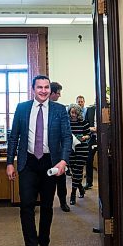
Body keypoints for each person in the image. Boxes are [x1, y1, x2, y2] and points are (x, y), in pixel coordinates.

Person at [6, 75, 72, 246]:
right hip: (28, 164)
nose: (43, 90)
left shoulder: (59, 110)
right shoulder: (22, 108)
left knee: (46, 206)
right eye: (39, 87)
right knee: (26, 206)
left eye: (46, 87)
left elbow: (67, 137)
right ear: (33, 88)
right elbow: (14, 138)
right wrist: (10, 162)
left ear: (50, 89)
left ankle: (44, 243)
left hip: (50, 164)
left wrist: (63, 161)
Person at [49, 82, 70, 213]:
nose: (60, 95)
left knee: (61, 181)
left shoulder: (61, 109)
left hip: (58, 153)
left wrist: (64, 157)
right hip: (43, 154)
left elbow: (66, 135)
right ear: (52, 93)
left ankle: (63, 202)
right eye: (58, 93)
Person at [67, 103, 90, 205]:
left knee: (78, 170)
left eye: (76, 113)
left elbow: (88, 134)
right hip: (70, 149)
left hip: (82, 148)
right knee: (74, 170)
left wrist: (84, 137)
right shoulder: (67, 123)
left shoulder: (83, 122)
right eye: (72, 112)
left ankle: (73, 193)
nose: (74, 115)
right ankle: (80, 188)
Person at [84, 104, 97, 190]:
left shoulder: (107, 107)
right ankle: (89, 182)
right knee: (88, 159)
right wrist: (90, 129)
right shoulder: (90, 110)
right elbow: (85, 125)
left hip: (104, 138)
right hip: (92, 138)